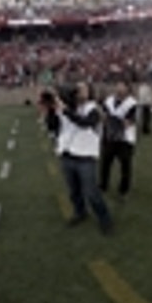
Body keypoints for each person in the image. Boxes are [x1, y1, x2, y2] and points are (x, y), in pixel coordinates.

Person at [52, 82, 113, 235]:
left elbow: (84, 123)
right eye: (76, 89)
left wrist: (65, 110)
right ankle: (80, 212)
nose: (79, 91)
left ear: (90, 91)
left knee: (91, 192)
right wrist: (51, 110)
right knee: (74, 191)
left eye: (83, 89)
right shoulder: (69, 108)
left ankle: (104, 219)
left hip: (86, 157)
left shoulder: (94, 109)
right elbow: (55, 126)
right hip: (67, 154)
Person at [99, 82, 138, 202]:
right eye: (118, 85)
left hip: (125, 139)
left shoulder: (132, 103)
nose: (119, 88)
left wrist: (111, 119)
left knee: (125, 165)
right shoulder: (109, 100)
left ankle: (123, 190)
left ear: (127, 88)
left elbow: (129, 122)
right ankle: (103, 185)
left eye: (122, 86)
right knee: (105, 162)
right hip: (109, 137)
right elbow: (104, 116)